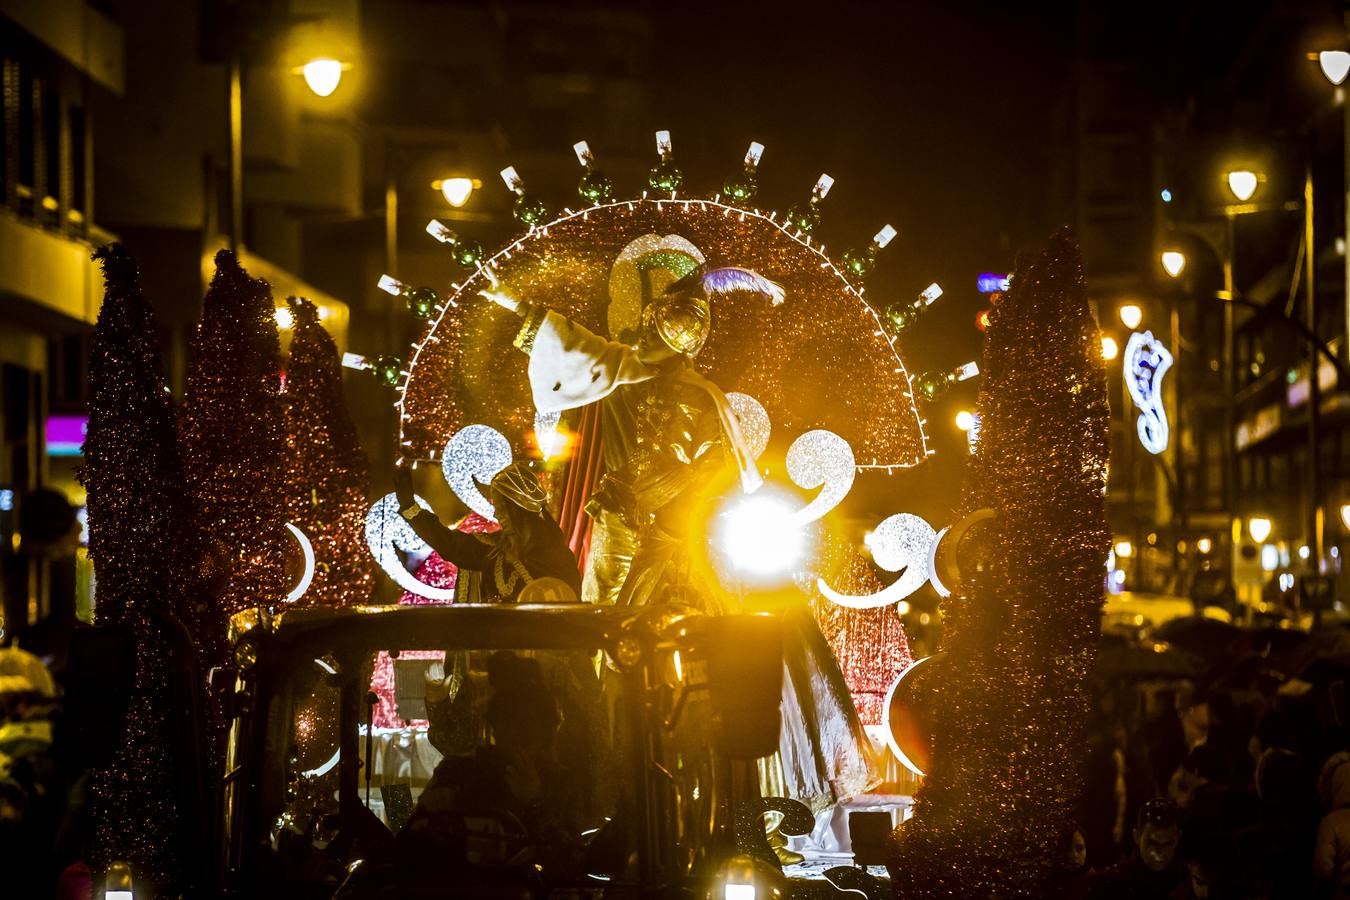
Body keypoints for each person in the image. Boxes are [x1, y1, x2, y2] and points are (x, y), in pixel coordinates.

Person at [477, 254, 780, 610]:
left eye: (656, 334)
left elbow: (719, 463)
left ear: (678, 343)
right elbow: (568, 342)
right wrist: (513, 301)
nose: (645, 337)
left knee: (689, 606)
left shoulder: (703, 396)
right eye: (648, 328)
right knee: (602, 603)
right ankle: (600, 665)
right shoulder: (621, 367)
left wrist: (683, 486)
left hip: (677, 522)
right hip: (620, 509)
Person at [393, 461, 580, 604]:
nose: (496, 513)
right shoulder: (492, 550)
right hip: (498, 651)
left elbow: (570, 620)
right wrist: (410, 507)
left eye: (500, 507)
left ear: (517, 510)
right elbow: (448, 543)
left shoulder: (557, 558)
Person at [1087, 799, 1184, 900]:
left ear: (1178, 838)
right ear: (1137, 836)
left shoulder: (1186, 881)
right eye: (1152, 843)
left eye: (1168, 843)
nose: (1160, 851)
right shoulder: (1110, 883)